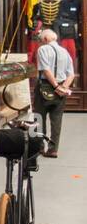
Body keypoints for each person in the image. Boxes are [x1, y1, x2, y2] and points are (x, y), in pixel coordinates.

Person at [34, 27, 74, 158]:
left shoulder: (42, 49)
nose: (40, 43)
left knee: (39, 117)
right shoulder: (65, 51)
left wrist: (56, 86)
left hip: (44, 87)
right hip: (61, 88)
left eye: (40, 40)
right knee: (57, 120)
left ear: (45, 39)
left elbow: (46, 70)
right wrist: (63, 87)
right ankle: (53, 150)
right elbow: (71, 74)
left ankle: (37, 147)